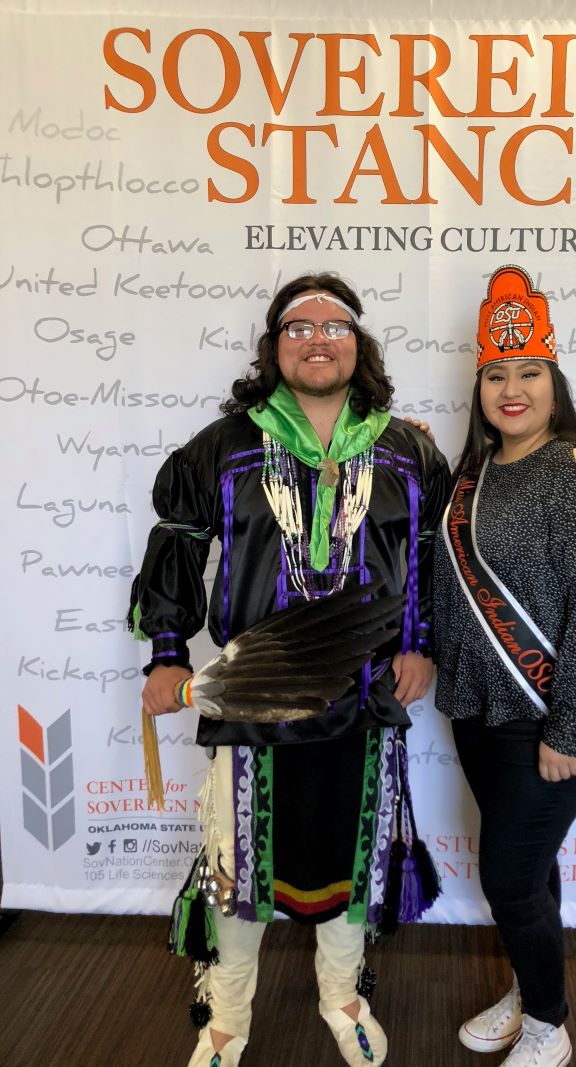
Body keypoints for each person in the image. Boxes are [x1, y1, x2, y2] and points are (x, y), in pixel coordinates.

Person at [133, 272, 451, 1067]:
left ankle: (342, 995)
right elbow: (177, 543)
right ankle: (227, 1013)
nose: (318, 337)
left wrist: (420, 644)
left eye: (335, 324)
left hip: (365, 688)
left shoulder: (405, 447)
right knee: (239, 857)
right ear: (274, 347)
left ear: (359, 343)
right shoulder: (227, 443)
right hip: (253, 689)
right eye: (298, 326)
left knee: (352, 847)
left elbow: (426, 560)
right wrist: (169, 654)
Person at [433, 265, 576, 1067]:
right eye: (497, 374)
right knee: (527, 871)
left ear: (555, 383)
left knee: (509, 880)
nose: (513, 389)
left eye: (530, 373)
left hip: (549, 717)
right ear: (481, 386)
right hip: (478, 712)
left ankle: (550, 1021)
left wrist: (568, 724)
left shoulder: (573, 463)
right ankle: (528, 988)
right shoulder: (472, 471)